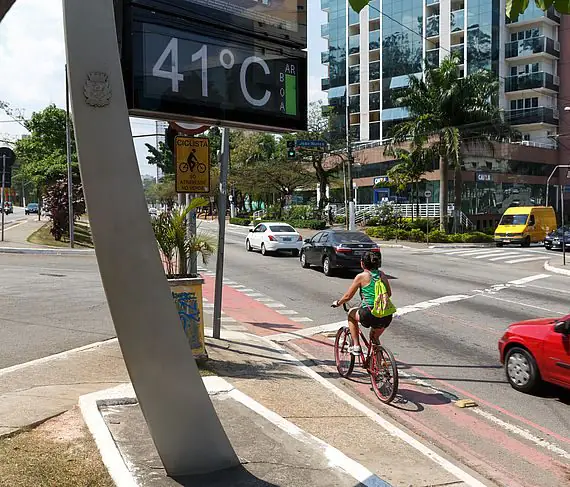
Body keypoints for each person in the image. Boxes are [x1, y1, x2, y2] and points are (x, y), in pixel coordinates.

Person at [331, 251, 393, 355]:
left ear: (362, 263)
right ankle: (379, 364)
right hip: (386, 314)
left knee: (351, 314)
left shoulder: (362, 276)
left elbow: (347, 297)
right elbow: (389, 294)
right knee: (375, 338)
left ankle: (356, 346)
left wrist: (338, 303)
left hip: (368, 313)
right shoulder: (382, 275)